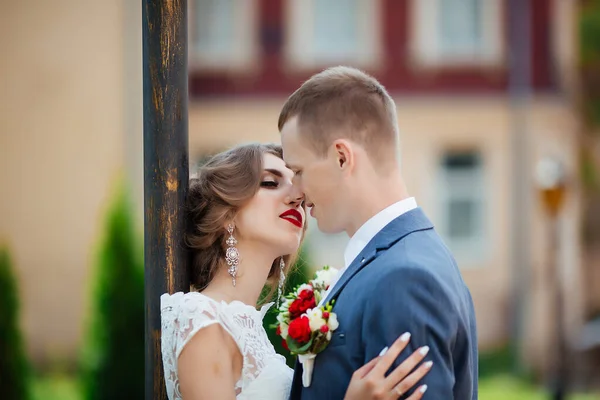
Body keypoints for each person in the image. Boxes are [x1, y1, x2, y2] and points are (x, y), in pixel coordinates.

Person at [160, 143, 432, 400]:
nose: (297, 196)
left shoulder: (251, 330)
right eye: (270, 182)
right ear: (226, 212)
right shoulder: (202, 318)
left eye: (301, 192)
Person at [279, 66, 478, 399]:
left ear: (342, 158)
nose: (296, 191)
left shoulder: (405, 278)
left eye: (298, 171)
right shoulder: (399, 258)